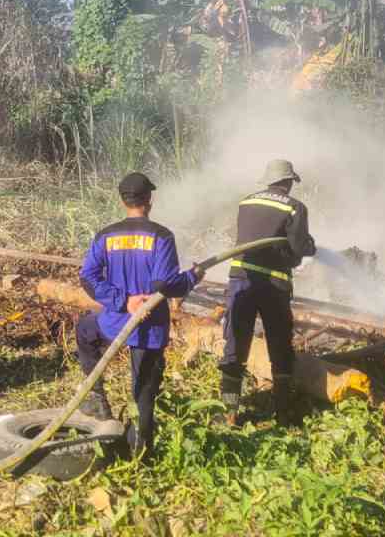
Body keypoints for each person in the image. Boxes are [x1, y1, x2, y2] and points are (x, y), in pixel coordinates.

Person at [77, 172, 203, 459]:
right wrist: (194, 277)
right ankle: (141, 452)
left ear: (123, 201)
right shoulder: (161, 236)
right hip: (149, 328)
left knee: (86, 330)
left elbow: (88, 277)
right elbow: (166, 285)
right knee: (144, 389)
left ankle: (96, 396)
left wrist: (122, 301)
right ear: (149, 200)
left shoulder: (106, 235)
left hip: (114, 321)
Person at [219, 159, 317, 427]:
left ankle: (230, 413)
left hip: (241, 280)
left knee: (235, 343)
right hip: (273, 285)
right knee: (279, 344)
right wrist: (310, 248)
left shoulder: (246, 202)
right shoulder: (294, 207)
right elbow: (299, 247)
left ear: (268, 180)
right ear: (287, 182)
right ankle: (283, 413)